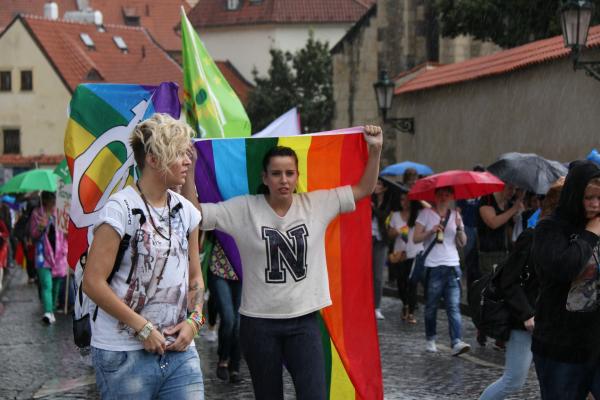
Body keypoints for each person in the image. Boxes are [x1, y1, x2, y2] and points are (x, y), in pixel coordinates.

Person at [183, 125, 383, 400]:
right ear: (265, 177)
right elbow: (194, 213)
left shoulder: (317, 204)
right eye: (276, 174)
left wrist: (375, 149)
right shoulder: (245, 208)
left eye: (289, 173)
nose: (283, 180)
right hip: (258, 326)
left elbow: (364, 188)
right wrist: (190, 168)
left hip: (305, 324)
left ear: (298, 176)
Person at [82, 113, 205, 399]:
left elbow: (195, 276)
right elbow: (93, 282)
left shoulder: (187, 212)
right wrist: (142, 327)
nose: (187, 161)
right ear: (153, 158)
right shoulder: (120, 209)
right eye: (178, 154)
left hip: (180, 352)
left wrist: (195, 321)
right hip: (124, 356)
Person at [479, 179, 563, 400]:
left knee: (557, 380)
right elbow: (508, 281)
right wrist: (527, 314)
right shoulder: (532, 236)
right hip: (526, 321)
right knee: (513, 381)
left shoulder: (565, 240)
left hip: (552, 321)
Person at [531, 160, 600, 400]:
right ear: (573, 195)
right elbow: (564, 268)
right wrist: (591, 233)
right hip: (560, 346)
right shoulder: (549, 229)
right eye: (588, 197)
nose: (595, 204)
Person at [413, 186, 470, 356]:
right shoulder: (426, 214)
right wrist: (431, 230)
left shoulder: (456, 215)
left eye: (447, 195)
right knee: (431, 306)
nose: (444, 198)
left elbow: (463, 242)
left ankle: (456, 341)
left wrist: (459, 228)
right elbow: (416, 238)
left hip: (452, 266)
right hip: (433, 266)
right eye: (440, 195)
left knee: (453, 306)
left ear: (452, 197)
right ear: (435, 196)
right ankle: (431, 338)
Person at [29, 191, 67, 324]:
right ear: (45, 201)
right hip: (43, 256)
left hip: (59, 256)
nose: (53, 202)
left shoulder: (59, 213)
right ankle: (48, 312)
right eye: (51, 200)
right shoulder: (36, 214)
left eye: (54, 199)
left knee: (56, 285)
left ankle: (52, 309)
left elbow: (65, 234)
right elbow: (33, 235)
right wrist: (41, 226)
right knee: (47, 284)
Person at [209, 240, 243, 384]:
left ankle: (235, 366)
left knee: (239, 324)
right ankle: (223, 359)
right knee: (228, 319)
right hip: (219, 271)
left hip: (242, 275)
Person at [388, 193, 423, 323]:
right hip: (400, 254)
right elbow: (390, 235)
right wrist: (397, 231)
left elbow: (429, 208)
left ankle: (411, 312)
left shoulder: (419, 214)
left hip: (415, 252)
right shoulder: (395, 215)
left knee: (412, 283)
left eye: (408, 199)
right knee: (401, 282)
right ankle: (405, 305)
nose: (405, 202)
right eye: (402, 199)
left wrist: (418, 198)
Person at [372, 178, 391, 320]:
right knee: (363, 276)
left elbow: (383, 216)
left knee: (378, 276)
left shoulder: (388, 202)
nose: (376, 186)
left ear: (384, 188)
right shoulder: (367, 197)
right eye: (375, 183)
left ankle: (376, 307)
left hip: (380, 241)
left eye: (379, 184)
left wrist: (372, 207)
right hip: (365, 240)